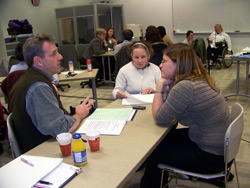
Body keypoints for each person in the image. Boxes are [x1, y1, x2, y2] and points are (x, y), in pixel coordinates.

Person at [140, 43, 231, 188]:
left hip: (210, 156)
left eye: (164, 61)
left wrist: (159, 87)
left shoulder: (186, 86)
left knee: (154, 152)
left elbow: (160, 118)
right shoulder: (200, 78)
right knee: (163, 140)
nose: (160, 65)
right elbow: (178, 112)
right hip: (221, 149)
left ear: (179, 63)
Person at [9, 33, 95, 153]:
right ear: (38, 61)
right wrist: (79, 114)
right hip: (43, 154)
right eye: (54, 54)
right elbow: (60, 129)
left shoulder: (29, 79)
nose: (60, 57)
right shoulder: (38, 87)